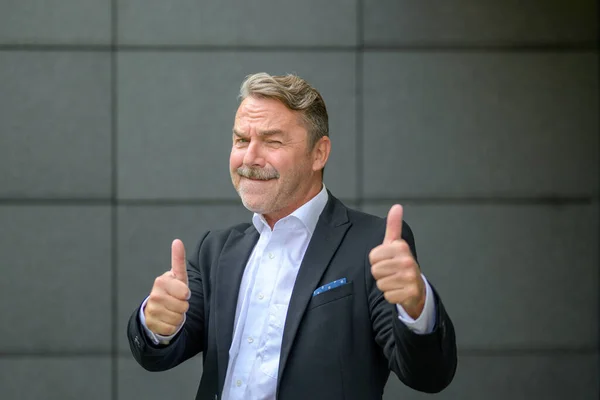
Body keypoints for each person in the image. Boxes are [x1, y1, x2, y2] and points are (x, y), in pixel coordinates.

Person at [127, 72, 457, 400]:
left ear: (319, 153)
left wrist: (416, 309)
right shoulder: (215, 251)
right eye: (242, 140)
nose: (250, 158)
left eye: (272, 141)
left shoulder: (372, 245)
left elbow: (428, 374)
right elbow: (157, 356)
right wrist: (156, 324)